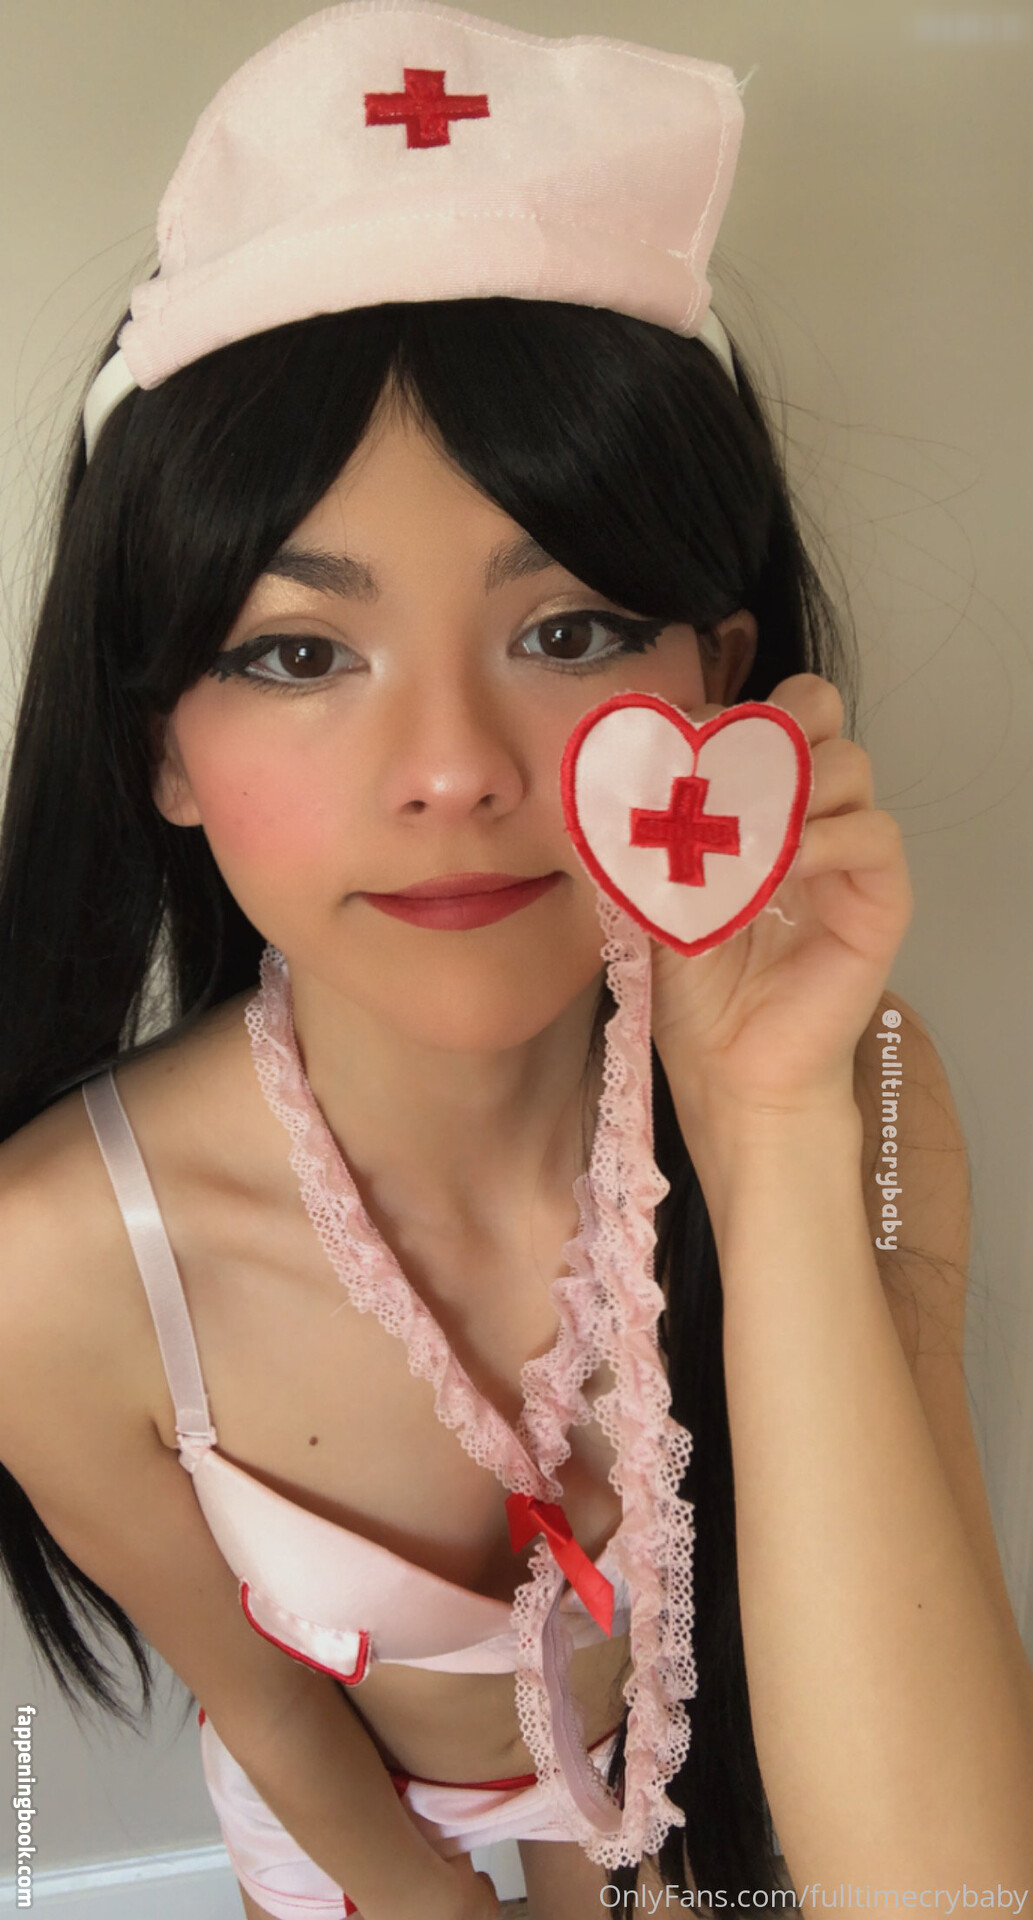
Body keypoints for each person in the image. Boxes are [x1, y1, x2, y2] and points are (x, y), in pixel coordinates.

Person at [1, 7, 1031, 1919]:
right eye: (296, 653)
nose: (455, 770)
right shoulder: (44, 1265)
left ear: (716, 688)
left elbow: (947, 1888)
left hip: (702, 1816)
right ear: (159, 750)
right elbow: (273, 1714)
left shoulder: (866, 1093)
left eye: (569, 632)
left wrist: (774, 1132)